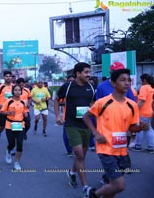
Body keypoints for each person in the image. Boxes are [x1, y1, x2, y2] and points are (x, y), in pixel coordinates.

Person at [82, 68, 149, 198]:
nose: (127, 83)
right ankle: (92, 193)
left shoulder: (132, 105)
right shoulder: (103, 102)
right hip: (105, 148)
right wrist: (96, 133)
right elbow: (86, 116)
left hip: (122, 149)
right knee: (119, 185)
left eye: (129, 80)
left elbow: (131, 128)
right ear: (113, 83)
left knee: (113, 185)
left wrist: (140, 127)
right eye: (122, 80)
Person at [53, 62, 95, 197]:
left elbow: (93, 104)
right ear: (78, 73)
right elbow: (56, 99)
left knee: (81, 156)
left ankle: (71, 173)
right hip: (71, 125)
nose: (89, 75)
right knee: (79, 154)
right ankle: (85, 187)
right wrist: (58, 115)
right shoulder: (68, 86)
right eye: (86, 72)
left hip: (86, 125)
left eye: (89, 72)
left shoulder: (91, 87)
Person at [0, 84, 28, 170]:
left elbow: (26, 112)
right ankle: (8, 151)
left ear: (21, 91)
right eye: (15, 90)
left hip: (20, 125)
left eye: (19, 90)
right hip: (10, 125)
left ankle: (17, 162)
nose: (17, 92)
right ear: (13, 91)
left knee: (19, 144)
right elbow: (1, 112)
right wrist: (8, 113)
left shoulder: (23, 102)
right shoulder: (8, 101)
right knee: (12, 143)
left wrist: (25, 114)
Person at [132, 73, 154, 152]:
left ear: (144, 80)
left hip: (143, 112)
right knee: (150, 129)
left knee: (140, 129)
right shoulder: (152, 88)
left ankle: (138, 146)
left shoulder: (144, 87)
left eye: (141, 80)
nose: (141, 82)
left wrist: (135, 110)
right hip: (151, 112)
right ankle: (151, 147)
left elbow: (141, 101)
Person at [0, 70, 13, 142]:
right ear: (4, 77)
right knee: (1, 127)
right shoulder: (0, 87)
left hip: (12, 110)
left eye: (9, 76)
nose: (8, 78)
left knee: (12, 128)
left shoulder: (14, 87)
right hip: (2, 111)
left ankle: (12, 143)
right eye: (6, 76)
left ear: (11, 77)